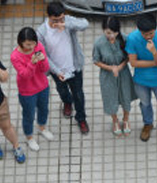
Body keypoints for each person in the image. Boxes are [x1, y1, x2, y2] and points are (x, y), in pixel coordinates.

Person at [37, 1, 90, 134]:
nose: (59, 22)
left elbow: (85, 24)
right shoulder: (42, 32)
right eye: (56, 20)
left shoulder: (67, 22)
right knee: (62, 91)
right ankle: (67, 102)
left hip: (74, 67)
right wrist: (57, 71)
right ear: (48, 16)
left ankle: (81, 118)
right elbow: (44, 56)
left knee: (78, 94)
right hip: (57, 70)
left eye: (61, 18)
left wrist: (66, 24)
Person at [126, 13, 157, 142]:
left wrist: (153, 51)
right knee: (145, 104)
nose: (148, 37)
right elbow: (133, 63)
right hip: (140, 81)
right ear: (139, 30)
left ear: (155, 29)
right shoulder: (132, 38)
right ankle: (148, 124)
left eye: (151, 34)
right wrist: (156, 62)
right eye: (145, 34)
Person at [11, 27, 54, 152]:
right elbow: (25, 75)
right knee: (28, 115)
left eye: (33, 43)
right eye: (28, 44)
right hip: (27, 90)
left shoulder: (39, 47)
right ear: (21, 42)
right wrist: (32, 63)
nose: (31, 47)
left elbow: (45, 69)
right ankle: (29, 136)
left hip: (42, 86)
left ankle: (41, 127)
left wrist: (43, 60)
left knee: (44, 108)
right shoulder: (15, 56)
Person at [93, 16, 137, 137]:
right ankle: (115, 121)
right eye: (108, 33)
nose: (111, 36)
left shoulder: (125, 39)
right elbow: (96, 60)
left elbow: (129, 56)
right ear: (103, 30)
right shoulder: (99, 43)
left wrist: (120, 66)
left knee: (126, 97)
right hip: (107, 76)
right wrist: (111, 68)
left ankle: (126, 120)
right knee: (110, 98)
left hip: (123, 74)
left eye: (114, 33)